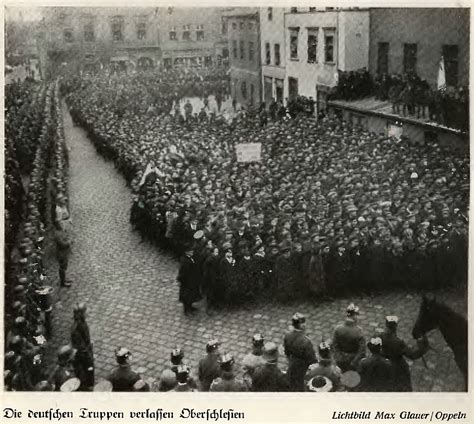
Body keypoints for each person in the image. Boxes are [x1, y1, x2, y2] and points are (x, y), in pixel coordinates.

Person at [380, 316, 429, 391]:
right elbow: (413, 355)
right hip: (397, 368)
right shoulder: (398, 342)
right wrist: (423, 347)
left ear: (386, 325)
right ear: (395, 326)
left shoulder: (379, 336)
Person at [283, 312, 317, 391]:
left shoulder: (287, 335)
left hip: (292, 363)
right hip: (303, 367)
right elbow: (312, 359)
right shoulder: (306, 341)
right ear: (302, 325)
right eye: (304, 322)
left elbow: (286, 351)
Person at [332, 303, 366, 372]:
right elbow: (362, 351)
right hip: (353, 362)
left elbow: (334, 346)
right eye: (357, 315)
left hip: (341, 361)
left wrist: (339, 358)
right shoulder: (359, 331)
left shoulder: (338, 329)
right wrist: (354, 362)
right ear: (354, 316)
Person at [70, 303, 94, 391]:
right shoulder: (76, 328)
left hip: (86, 349)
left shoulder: (82, 322)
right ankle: (88, 385)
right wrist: (88, 355)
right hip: (83, 354)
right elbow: (80, 346)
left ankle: (89, 383)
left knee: (89, 369)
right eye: (86, 310)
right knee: (87, 369)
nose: (88, 311)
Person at [177, 244, 200, 315]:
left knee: (191, 295)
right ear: (186, 252)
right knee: (187, 296)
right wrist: (181, 280)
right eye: (190, 251)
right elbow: (182, 273)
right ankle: (186, 310)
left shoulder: (191, 258)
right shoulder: (185, 261)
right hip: (187, 282)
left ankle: (190, 306)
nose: (192, 252)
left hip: (192, 280)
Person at [54, 219, 73, 287]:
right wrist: (68, 242)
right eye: (61, 224)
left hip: (64, 252)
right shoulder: (57, 234)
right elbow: (62, 244)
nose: (62, 224)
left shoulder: (62, 231)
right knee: (62, 267)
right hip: (61, 253)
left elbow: (66, 237)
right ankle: (63, 282)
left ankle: (64, 279)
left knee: (65, 266)